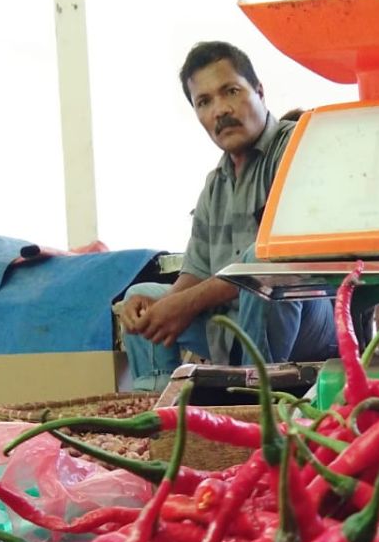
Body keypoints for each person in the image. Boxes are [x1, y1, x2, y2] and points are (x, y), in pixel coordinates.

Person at [120, 42, 336, 390]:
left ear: (259, 92)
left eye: (230, 91)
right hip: (232, 327)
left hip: (310, 322)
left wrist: (184, 304)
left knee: (264, 262)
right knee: (141, 296)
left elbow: (277, 258)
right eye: (204, 102)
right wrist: (164, 305)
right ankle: (159, 408)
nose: (220, 110)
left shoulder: (295, 146)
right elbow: (193, 276)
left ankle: (252, 397)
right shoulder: (215, 184)